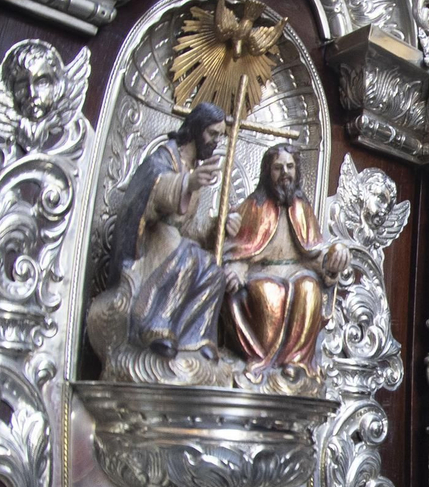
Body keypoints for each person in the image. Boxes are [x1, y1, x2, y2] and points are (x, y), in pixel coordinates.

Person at [109, 102, 231, 361]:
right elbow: (156, 188)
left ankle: (196, 337)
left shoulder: (192, 168)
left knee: (214, 271)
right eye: (212, 134)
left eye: (219, 136)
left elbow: (187, 228)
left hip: (175, 239)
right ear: (197, 130)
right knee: (188, 258)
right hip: (152, 241)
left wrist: (217, 226)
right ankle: (155, 325)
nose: (215, 142)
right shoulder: (165, 157)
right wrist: (187, 183)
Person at [223, 143, 348, 379]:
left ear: (297, 171)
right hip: (261, 274)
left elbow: (313, 253)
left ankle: (296, 362)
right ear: (267, 172)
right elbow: (233, 247)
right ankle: (263, 361)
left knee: (309, 289)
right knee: (271, 293)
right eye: (278, 168)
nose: (285, 173)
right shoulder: (254, 206)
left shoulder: (302, 208)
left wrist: (332, 263)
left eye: (290, 167)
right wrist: (237, 264)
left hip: (299, 273)